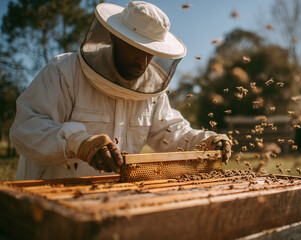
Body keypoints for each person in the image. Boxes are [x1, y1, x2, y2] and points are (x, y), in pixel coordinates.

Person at [9, 1, 231, 180]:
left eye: (151, 51)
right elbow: (25, 128)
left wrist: (205, 141)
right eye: (136, 48)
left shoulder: (152, 87)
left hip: (109, 204)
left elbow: (170, 133)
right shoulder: (64, 71)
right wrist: (77, 143)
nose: (143, 61)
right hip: (48, 202)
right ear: (115, 37)